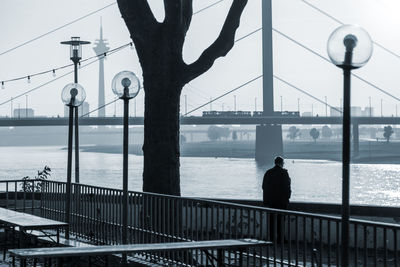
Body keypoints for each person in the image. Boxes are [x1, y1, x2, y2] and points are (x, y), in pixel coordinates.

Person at [262, 156, 291, 242]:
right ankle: (281, 238)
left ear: (275, 162)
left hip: (271, 201)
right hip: (282, 202)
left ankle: (271, 238)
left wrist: (266, 200)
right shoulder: (284, 173)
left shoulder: (268, 172)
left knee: (271, 220)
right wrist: (287, 197)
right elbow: (287, 187)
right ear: (281, 163)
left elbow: (264, 187)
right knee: (281, 220)